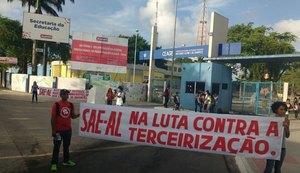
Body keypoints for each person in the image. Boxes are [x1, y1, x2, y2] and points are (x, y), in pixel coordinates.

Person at [50, 89, 80, 171]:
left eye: (67, 94)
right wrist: (53, 130)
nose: (67, 95)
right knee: (56, 148)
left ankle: (66, 161)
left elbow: (72, 116)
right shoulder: (56, 105)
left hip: (68, 130)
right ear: (61, 95)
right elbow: (52, 119)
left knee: (66, 147)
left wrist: (79, 114)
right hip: (58, 131)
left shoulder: (70, 104)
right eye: (65, 94)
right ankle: (54, 164)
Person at [264, 101, 290, 173]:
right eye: (281, 109)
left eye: (284, 109)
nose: (283, 111)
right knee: (269, 166)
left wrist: (286, 127)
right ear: (276, 110)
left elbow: (287, 135)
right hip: (271, 146)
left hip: (282, 147)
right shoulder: (270, 120)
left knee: (278, 168)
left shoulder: (286, 120)